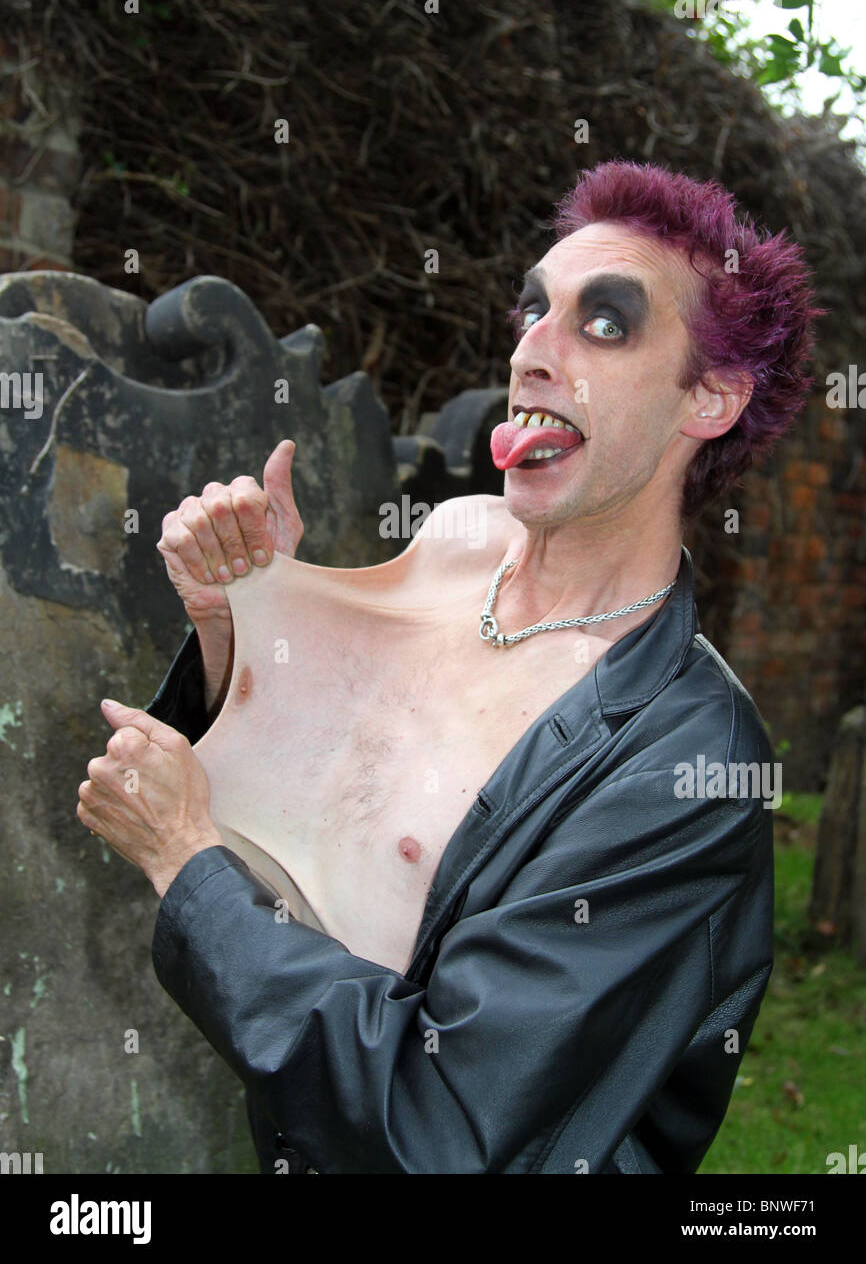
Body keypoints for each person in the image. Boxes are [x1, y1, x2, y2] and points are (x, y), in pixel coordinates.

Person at [77, 160, 821, 1173]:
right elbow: (329, 821)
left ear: (711, 397)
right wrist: (246, 615)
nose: (533, 351)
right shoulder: (458, 539)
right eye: (532, 310)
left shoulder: (682, 758)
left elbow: (443, 1128)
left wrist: (185, 866)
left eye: (604, 323)